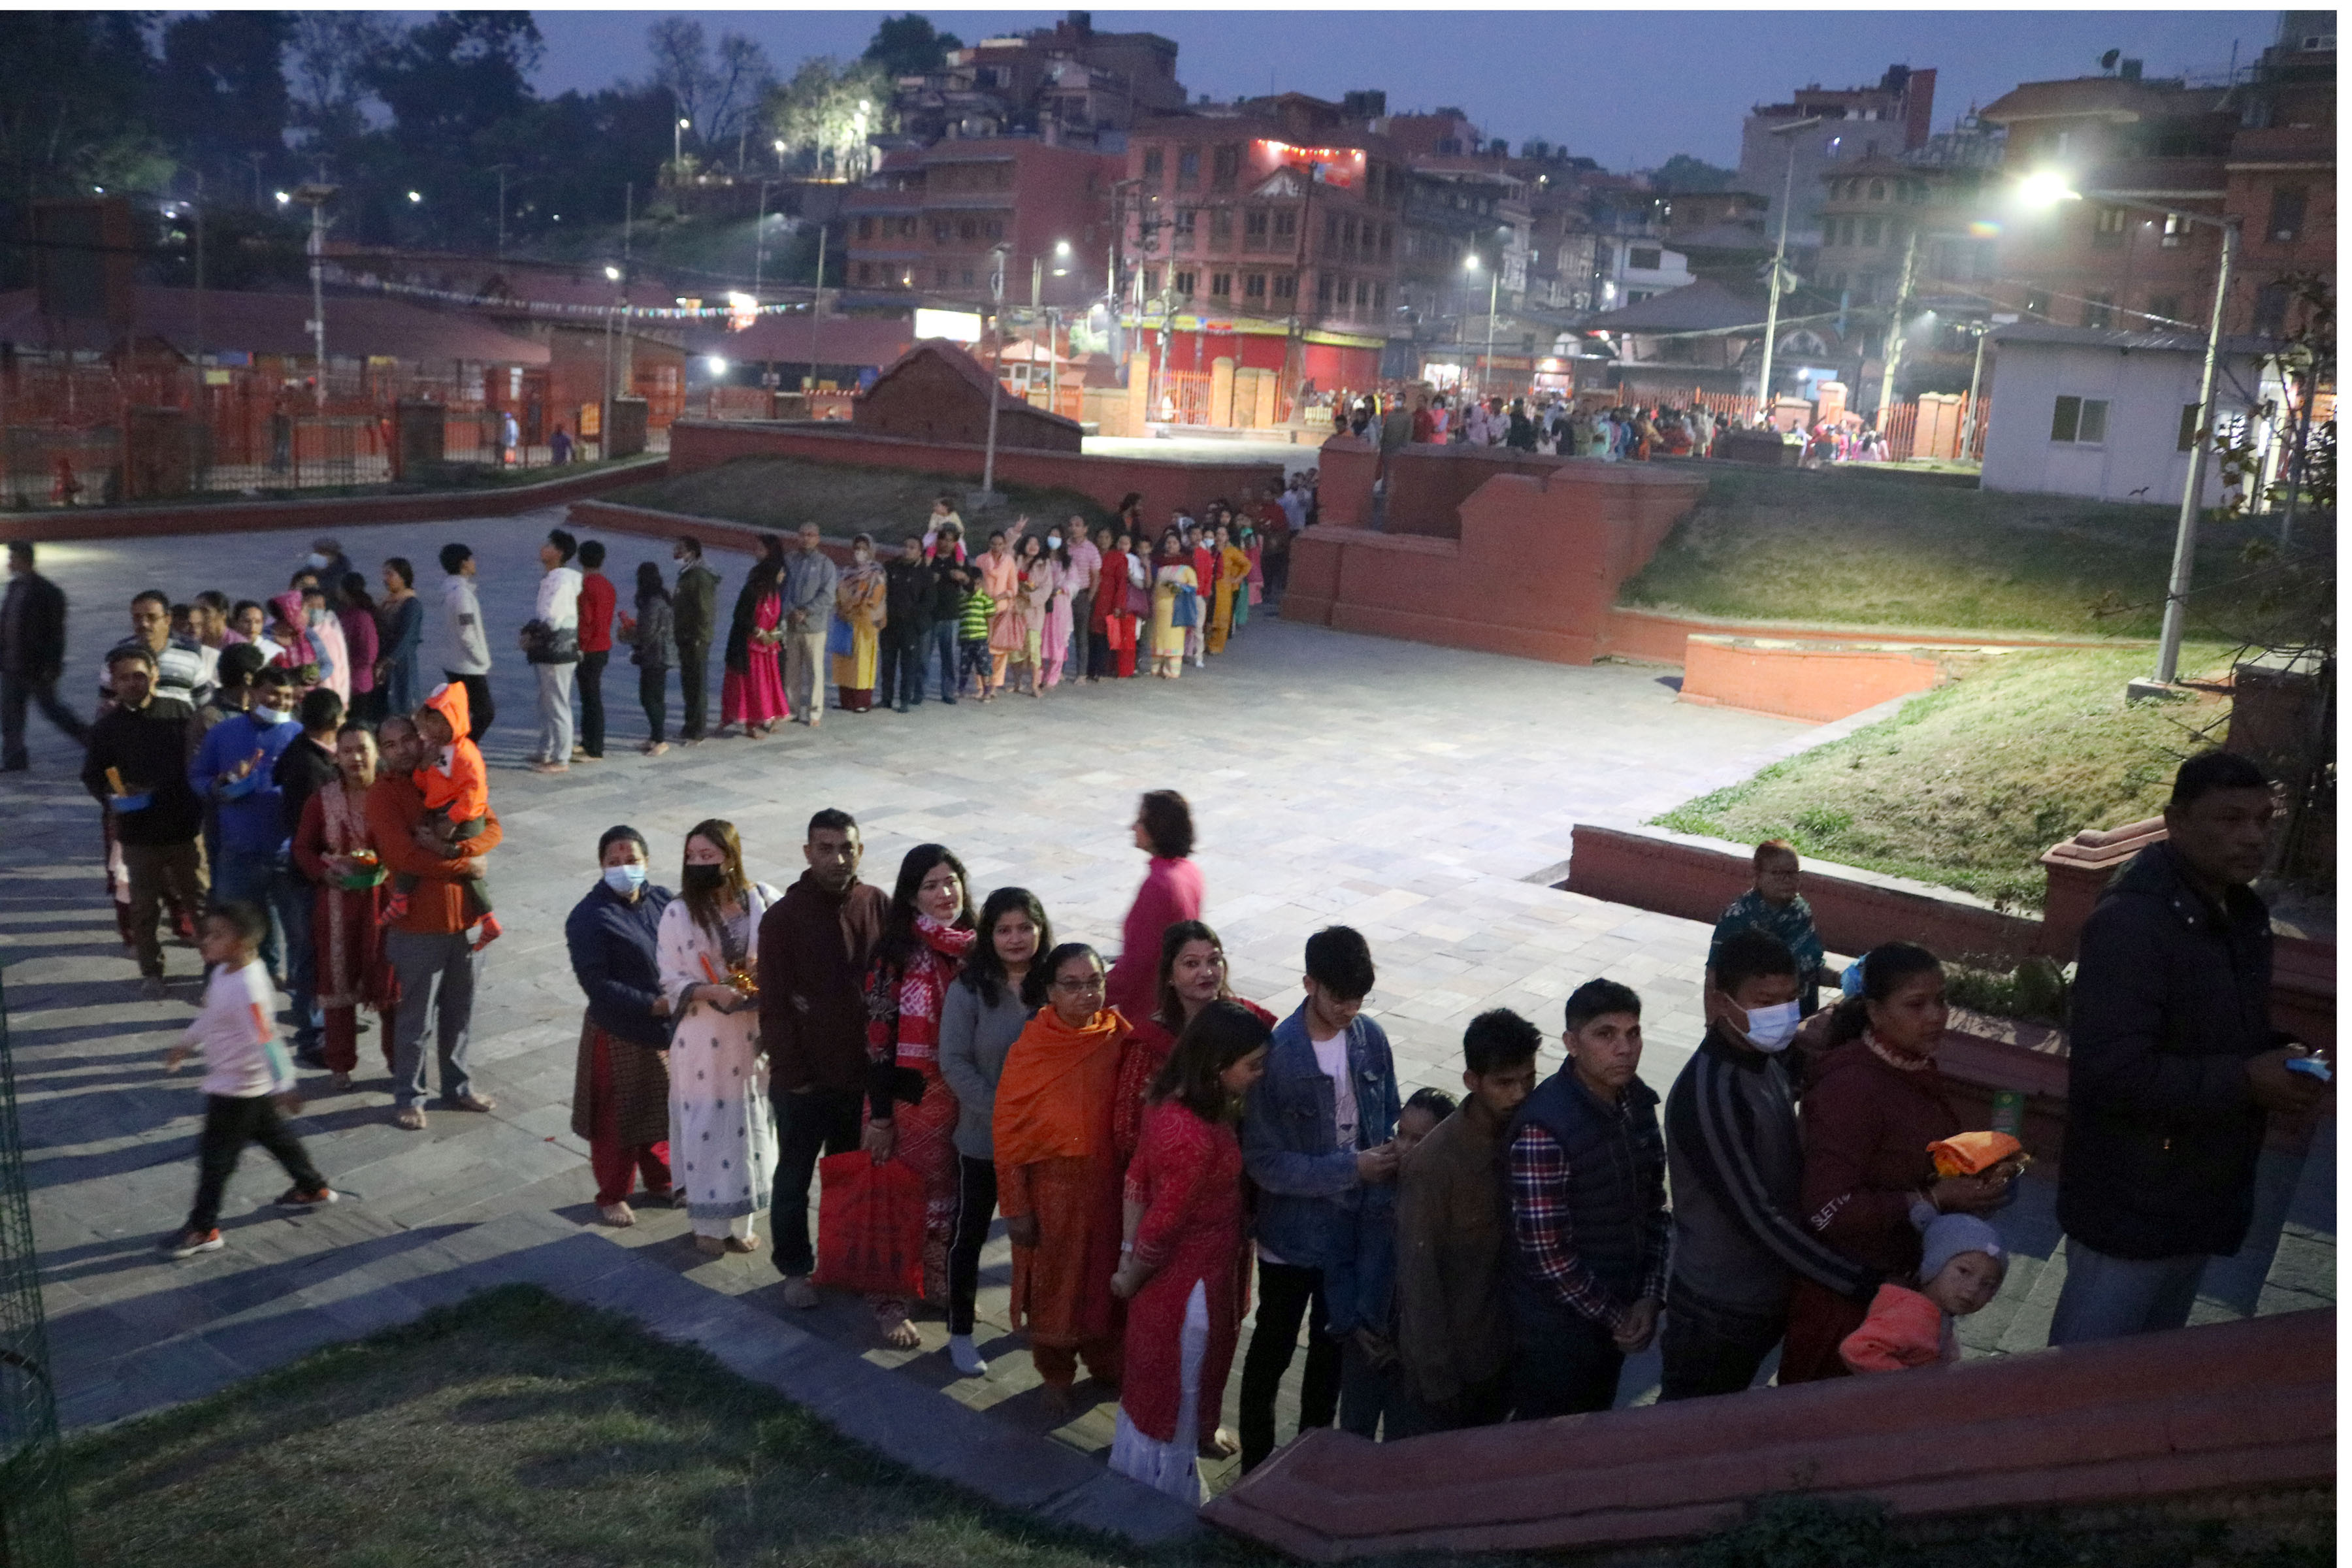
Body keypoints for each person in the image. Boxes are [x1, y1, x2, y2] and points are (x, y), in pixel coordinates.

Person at [2051, 751, 2328, 1345]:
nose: (2252, 837)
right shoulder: (2132, 923)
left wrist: (2285, 1055)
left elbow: (2219, 1032)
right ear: (2176, 822)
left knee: (2152, 1376)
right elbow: (2112, 1074)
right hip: (2129, 1204)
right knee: (2082, 1387)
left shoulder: (2239, 910)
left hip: (2197, 1195)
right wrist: (2248, 1080)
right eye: (2229, 820)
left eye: (2262, 820)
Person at [1659, 928, 1881, 1402]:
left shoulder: (1766, 1062)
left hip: (1766, 1294)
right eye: (1764, 1001)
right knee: (1686, 1433)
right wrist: (1859, 1282)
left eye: (1789, 999)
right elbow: (1759, 1218)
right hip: (1718, 1308)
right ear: (1722, 1002)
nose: (1781, 1015)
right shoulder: (1710, 1094)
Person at [1782, 942, 2003, 1384]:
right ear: (1875, 1013)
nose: (1936, 1015)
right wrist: (1934, 1198)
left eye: (1941, 1000)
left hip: (1898, 1299)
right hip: (1846, 1308)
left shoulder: (1911, 1065)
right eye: (1916, 1004)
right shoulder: (1852, 1087)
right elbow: (1828, 1211)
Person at [1238, 925, 1399, 1471]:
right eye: (1338, 997)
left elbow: (1386, 1120)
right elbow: (1263, 1162)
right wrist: (1350, 1168)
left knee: (1330, 1356)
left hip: (1352, 1233)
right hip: (1291, 1235)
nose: (1350, 1009)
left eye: (1358, 998)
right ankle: (1257, 1467)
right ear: (1309, 984)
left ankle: (1309, 1462)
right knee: (1272, 1352)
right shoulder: (1278, 1057)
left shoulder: (1370, 1038)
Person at [1109, 1000, 1271, 1502]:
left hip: (1172, 1283)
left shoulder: (1168, 1103)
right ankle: (1167, 1491)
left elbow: (1137, 1179)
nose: (1260, 1075)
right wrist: (1132, 1273)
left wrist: (1126, 1258)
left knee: (1158, 1383)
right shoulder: (1194, 1133)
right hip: (1187, 1286)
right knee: (1179, 1386)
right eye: (1253, 1066)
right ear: (1217, 1065)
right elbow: (1164, 1222)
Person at [1505, 979, 1669, 1420]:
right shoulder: (1545, 1129)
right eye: (1606, 1034)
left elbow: (1653, 1207)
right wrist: (1619, 1317)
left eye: (1633, 1033)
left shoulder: (1637, 1101)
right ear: (1572, 1044)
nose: (1625, 1048)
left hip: (1618, 1318)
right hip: (1558, 1334)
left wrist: (1650, 1297)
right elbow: (1547, 1255)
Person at [994, 941, 1132, 1415]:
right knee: (1053, 1289)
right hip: (1050, 1194)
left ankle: (1106, 1362)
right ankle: (1055, 1374)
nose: (1086, 995)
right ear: (1050, 991)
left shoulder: (1119, 1036)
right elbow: (1009, 1131)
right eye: (1072, 985)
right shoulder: (1031, 1049)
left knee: (1106, 1285)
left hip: (1111, 1191)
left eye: (1094, 982)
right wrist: (1015, 1206)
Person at [760, 809, 890, 1306]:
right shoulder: (784, 919)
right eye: (826, 848)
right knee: (794, 1176)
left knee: (848, 1176)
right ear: (808, 853)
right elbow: (773, 1004)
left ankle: (842, 1262)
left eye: (847, 848)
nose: (838, 858)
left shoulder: (876, 903)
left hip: (859, 1075)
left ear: (860, 850)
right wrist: (794, 1074)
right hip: (804, 1079)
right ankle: (795, 1267)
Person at [157, 902, 336, 1258]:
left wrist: (285, 1083)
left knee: (216, 1160)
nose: (204, 940)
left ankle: (203, 1227)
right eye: (206, 932)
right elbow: (211, 1016)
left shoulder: (249, 988)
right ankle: (312, 1186)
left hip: (237, 1087)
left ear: (241, 944)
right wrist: (185, 1044)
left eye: (216, 935)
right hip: (241, 1085)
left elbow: (267, 1038)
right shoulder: (224, 973)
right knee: (275, 1136)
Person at [1394, 1010, 1540, 1433]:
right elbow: (1419, 1282)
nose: (1519, 1094)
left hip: (1510, 1350)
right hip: (1456, 1372)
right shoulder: (1435, 1165)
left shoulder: (1527, 1131)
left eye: (1527, 1079)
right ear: (1472, 1082)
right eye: (1504, 1083)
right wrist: (1439, 1384)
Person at [858, 845, 977, 1343]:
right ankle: (889, 1299)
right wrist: (881, 1116)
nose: (944, 893)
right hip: (908, 1101)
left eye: (951, 881)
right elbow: (877, 1037)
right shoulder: (895, 952)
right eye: (931, 885)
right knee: (899, 1201)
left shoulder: (976, 948)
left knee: (947, 1201)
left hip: (961, 1099)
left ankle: (932, 1282)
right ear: (911, 895)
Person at [367, 713, 500, 1131]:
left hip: (465, 921)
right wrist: (464, 864)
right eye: (391, 745)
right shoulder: (382, 796)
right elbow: (403, 857)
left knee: (461, 1012)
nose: (403, 749)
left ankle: (457, 1086)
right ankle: (409, 1094)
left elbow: (492, 825)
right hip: (417, 925)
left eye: (408, 739)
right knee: (415, 1018)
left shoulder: (445, 771)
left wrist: (469, 852)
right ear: (382, 754)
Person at [938, 885, 1049, 1377]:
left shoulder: (1055, 985)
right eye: (1004, 929)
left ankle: (1038, 1323)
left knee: (1043, 1237)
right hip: (984, 1140)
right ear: (988, 935)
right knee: (972, 1236)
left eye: (1025, 927)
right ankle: (960, 1332)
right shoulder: (969, 990)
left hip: (1046, 1144)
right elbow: (954, 1063)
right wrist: (1004, 1114)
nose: (1016, 938)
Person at [658, 819, 781, 1254]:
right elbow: (671, 979)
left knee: (749, 1125)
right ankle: (707, 1225)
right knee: (706, 1125)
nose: (698, 864)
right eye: (692, 857)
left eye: (707, 856)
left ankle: (741, 1220)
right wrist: (716, 991)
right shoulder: (678, 911)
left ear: (730, 857)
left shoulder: (762, 899)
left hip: (751, 1035)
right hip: (702, 1036)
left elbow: (788, 948)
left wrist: (763, 977)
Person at [82, 646, 207, 1000]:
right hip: (138, 833)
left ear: (155, 675)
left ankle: (214, 968)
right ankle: (151, 970)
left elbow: (201, 759)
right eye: (125, 677)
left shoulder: (181, 713)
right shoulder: (107, 728)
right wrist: (114, 796)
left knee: (199, 901)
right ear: (114, 683)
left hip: (185, 827)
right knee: (143, 907)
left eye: (140, 675)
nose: (133, 683)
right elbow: (93, 776)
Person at [1331, 1085, 1452, 1441]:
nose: (1405, 1147)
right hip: (1364, 1339)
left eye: (1420, 1138)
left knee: (1404, 1445)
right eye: (1401, 1134)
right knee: (1353, 1436)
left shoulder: (1450, 1201)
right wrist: (1351, 1323)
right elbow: (1339, 1259)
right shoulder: (1371, 1188)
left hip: (1416, 1356)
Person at [1114, 920, 1274, 1173]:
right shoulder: (1150, 1044)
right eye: (1192, 964)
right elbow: (1127, 1133)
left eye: (1214, 961)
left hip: (1250, 1167)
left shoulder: (1246, 1019)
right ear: (1169, 976)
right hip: (1181, 1175)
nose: (1207, 972)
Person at [290, 724, 394, 1092]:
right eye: (347, 750)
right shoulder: (322, 799)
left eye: (363, 749)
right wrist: (323, 873)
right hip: (336, 905)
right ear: (337, 756)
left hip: (386, 903)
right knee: (337, 984)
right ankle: (340, 1063)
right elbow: (302, 848)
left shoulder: (392, 793)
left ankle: (399, 1063)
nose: (356, 758)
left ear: (376, 753)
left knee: (390, 985)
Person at [191, 667, 301, 988]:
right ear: (253, 693)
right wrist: (221, 783)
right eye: (271, 694)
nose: (278, 702)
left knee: (297, 929)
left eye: (285, 697)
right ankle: (222, 986)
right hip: (238, 851)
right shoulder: (224, 734)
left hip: (286, 852)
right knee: (231, 923)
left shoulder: (297, 734)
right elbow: (198, 777)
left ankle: (291, 986)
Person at [393, 682, 499, 948]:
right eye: (431, 725)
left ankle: (488, 918)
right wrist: (424, 767)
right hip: (441, 811)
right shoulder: (438, 750)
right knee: (416, 848)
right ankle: (401, 897)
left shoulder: (465, 753)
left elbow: (475, 792)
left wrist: (452, 821)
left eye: (443, 724)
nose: (436, 731)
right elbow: (424, 785)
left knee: (468, 865)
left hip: (465, 816)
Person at [1841, 1213, 2008, 1373]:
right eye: (1964, 1271)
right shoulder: (1913, 1315)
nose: (1973, 1288)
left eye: (1988, 1284)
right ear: (1934, 1264)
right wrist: (1913, 1386)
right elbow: (1858, 1350)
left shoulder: (1934, 1314)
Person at [1105, 791, 1205, 1023]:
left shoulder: (1158, 886)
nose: (1133, 827)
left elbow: (1137, 964)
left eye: (1140, 821)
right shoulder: (1189, 871)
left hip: (1148, 1013)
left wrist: (1094, 995)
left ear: (1157, 829)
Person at [1708, 840, 1837, 1016]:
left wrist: (1843, 979)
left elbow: (1811, 966)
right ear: (1758, 876)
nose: (1787, 880)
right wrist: (1712, 1023)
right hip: (1757, 1020)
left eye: (1793, 873)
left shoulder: (1800, 911)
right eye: (1777, 873)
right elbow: (1715, 973)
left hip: (1800, 1013)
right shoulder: (1738, 918)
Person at [4, 542, 89, 771]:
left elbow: (56, 634)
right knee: (10, 715)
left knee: (52, 710)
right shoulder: (14, 588)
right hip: (11, 665)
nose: (9, 564)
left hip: (35, 667)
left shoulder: (48, 592)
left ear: (24, 560)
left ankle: (91, 741)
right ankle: (14, 758)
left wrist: (52, 666)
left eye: (12, 559)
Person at [524, 528, 583, 774]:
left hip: (556, 650)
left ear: (559, 552)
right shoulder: (552, 579)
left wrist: (532, 634)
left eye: (548, 545)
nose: (543, 548)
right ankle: (546, 749)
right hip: (548, 650)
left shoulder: (560, 581)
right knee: (546, 702)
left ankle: (561, 757)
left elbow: (553, 619)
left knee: (558, 703)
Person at [719, 533, 789, 740]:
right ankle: (742, 722)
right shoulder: (753, 588)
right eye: (780, 574)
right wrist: (759, 632)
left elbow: (777, 617)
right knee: (746, 687)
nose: (783, 576)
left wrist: (774, 634)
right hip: (748, 647)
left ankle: (758, 720)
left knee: (762, 687)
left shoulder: (775, 591)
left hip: (765, 648)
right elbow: (740, 615)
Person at [105, 589, 212, 710]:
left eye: (152, 617)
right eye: (137, 618)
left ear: (168, 619)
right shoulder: (117, 657)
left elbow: (205, 706)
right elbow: (105, 706)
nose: (144, 624)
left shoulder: (190, 657)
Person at [781, 522, 838, 727]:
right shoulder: (789, 561)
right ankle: (792, 708)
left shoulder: (825, 564)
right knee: (792, 670)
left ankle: (815, 712)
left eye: (811, 535)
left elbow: (828, 595)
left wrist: (806, 611)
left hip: (814, 626)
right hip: (792, 625)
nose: (806, 539)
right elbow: (782, 588)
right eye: (803, 534)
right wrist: (790, 610)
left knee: (815, 670)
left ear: (818, 538)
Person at [434, 544, 493, 742]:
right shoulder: (461, 595)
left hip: (454, 661)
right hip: (468, 665)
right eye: (471, 559)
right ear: (463, 564)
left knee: (463, 711)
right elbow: (466, 633)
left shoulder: (452, 591)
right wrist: (482, 659)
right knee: (485, 713)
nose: (474, 563)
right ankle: (465, 748)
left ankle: (461, 748)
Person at [831, 532, 887, 713]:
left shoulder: (877, 573)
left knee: (862, 664)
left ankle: (862, 701)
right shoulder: (847, 571)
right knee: (844, 662)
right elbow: (837, 592)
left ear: (871, 551)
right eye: (857, 549)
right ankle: (845, 700)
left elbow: (876, 598)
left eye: (864, 549)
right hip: (846, 623)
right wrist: (841, 608)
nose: (860, 553)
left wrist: (854, 605)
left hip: (865, 624)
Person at [672, 536, 719, 744]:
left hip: (696, 639)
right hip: (684, 636)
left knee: (697, 685)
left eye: (681, 549)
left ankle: (698, 729)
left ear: (693, 553)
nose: (677, 552)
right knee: (688, 683)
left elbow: (705, 610)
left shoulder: (699, 577)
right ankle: (689, 725)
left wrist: (701, 637)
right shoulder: (686, 574)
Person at [879, 536, 935, 713]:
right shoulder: (891, 567)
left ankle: (904, 699)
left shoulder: (925, 573)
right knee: (888, 664)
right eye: (905, 546)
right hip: (890, 624)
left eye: (912, 547)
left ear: (920, 552)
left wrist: (914, 617)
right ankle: (886, 698)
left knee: (908, 665)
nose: (908, 550)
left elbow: (930, 601)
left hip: (911, 626)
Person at [573, 538, 616, 762]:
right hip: (603, 645)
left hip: (589, 649)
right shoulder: (607, 585)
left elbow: (586, 621)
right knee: (591, 697)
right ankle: (588, 742)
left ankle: (594, 747)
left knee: (590, 698)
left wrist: (580, 646)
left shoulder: (585, 586)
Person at [627, 562, 675, 755]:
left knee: (648, 697)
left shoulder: (652, 603)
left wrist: (631, 635)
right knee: (657, 696)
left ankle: (660, 739)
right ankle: (655, 737)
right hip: (661, 654)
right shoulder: (662, 598)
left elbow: (647, 632)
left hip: (655, 655)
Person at [374, 559, 424, 720]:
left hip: (401, 663)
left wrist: (387, 662)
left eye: (390, 574)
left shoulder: (411, 604)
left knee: (401, 707)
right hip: (382, 660)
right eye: (384, 574)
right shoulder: (385, 602)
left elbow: (406, 637)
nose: (386, 578)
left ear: (403, 577)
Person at [979, 530, 1025, 699]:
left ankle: (994, 686)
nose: (997, 547)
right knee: (981, 649)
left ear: (1005, 545)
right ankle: (981, 686)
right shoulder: (982, 560)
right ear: (989, 544)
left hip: (1002, 609)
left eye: (1000, 544)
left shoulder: (1009, 562)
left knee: (999, 651)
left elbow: (1013, 588)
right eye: (994, 544)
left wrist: (1000, 597)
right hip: (983, 609)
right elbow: (976, 582)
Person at [1148, 534, 1196, 679]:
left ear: (1180, 545)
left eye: (1174, 543)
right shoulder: (1159, 564)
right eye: (1168, 542)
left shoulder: (1187, 565)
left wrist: (1179, 588)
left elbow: (1194, 586)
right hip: (1159, 607)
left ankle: (1172, 671)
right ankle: (1156, 668)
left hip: (1177, 609)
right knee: (1157, 637)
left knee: (1174, 638)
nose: (1171, 545)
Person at [336, 572, 382, 724]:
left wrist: (346, 663)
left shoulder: (362, 617)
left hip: (359, 684)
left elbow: (369, 654)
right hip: (344, 683)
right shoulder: (343, 614)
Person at [1063, 515, 1101, 681]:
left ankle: (1081, 673)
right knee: (1062, 634)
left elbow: (1096, 576)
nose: (1074, 528)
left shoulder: (1091, 549)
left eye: (1078, 525)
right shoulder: (1065, 547)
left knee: (1081, 636)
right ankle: (1059, 670)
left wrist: (1089, 598)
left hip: (1082, 594)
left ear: (1085, 528)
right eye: (1071, 525)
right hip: (1063, 594)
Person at [1208, 524, 1250, 656]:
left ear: (1227, 537)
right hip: (1209, 586)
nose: (1219, 537)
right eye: (1218, 534)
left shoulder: (1231, 551)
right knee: (1209, 616)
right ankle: (1205, 643)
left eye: (1222, 534)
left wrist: (1237, 579)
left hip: (1224, 588)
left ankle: (1217, 646)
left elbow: (1247, 564)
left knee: (1222, 617)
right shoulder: (1210, 550)